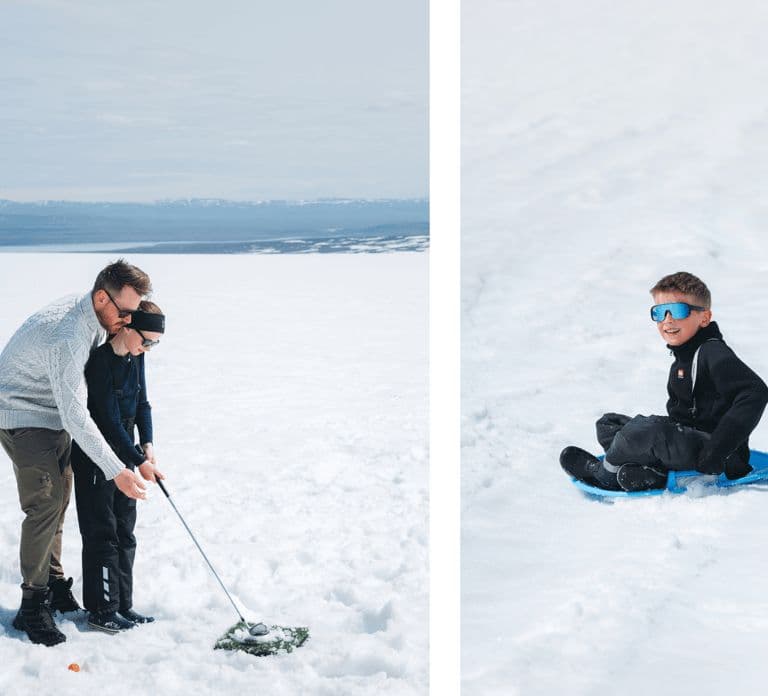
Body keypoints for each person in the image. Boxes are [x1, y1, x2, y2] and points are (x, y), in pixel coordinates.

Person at [0, 259, 152, 646]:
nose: (128, 320)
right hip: (21, 411)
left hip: (52, 412)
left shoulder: (98, 317)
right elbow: (75, 414)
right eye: (125, 312)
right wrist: (118, 469)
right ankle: (32, 606)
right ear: (102, 297)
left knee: (61, 499)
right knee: (45, 502)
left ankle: (53, 583)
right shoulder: (69, 336)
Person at [561, 271, 768, 492]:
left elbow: (755, 392)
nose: (668, 319)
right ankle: (650, 475)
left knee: (643, 432)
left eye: (678, 310)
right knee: (609, 424)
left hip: (716, 455)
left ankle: (605, 475)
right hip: (688, 441)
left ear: (704, 318)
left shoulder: (712, 351)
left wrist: (717, 450)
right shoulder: (683, 357)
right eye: (660, 312)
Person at [72, 300, 165, 633]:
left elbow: (142, 404)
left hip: (126, 450)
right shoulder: (99, 361)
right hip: (97, 455)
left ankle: (123, 605)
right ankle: (102, 610)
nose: (148, 348)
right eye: (146, 340)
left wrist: (148, 447)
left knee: (125, 532)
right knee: (103, 534)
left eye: (154, 343)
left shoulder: (135, 357)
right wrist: (139, 461)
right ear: (126, 328)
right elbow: (108, 421)